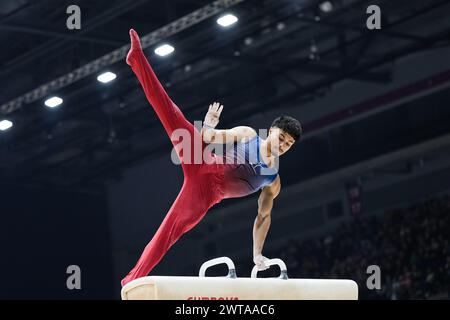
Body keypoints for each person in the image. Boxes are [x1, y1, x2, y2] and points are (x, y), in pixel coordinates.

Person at [121, 29, 303, 286]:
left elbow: (263, 216)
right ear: (271, 130)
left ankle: (131, 280)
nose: (283, 145)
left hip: (205, 195)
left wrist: (257, 254)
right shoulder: (248, 134)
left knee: (168, 233)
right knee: (170, 111)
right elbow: (208, 137)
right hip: (200, 159)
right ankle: (137, 58)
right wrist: (209, 123)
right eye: (282, 137)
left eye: (289, 144)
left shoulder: (273, 179)